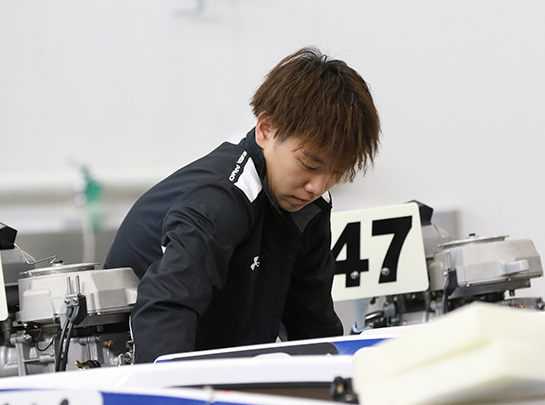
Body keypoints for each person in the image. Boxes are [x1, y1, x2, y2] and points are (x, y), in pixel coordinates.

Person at [104, 47, 381, 363]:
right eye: (309, 164)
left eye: (336, 173)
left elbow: (312, 323)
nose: (317, 187)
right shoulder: (220, 200)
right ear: (265, 129)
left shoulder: (308, 206)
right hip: (136, 359)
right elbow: (166, 308)